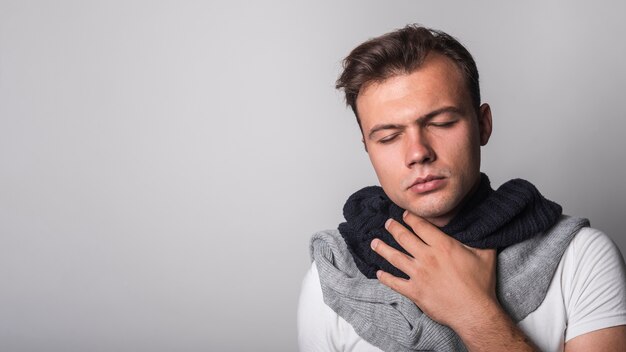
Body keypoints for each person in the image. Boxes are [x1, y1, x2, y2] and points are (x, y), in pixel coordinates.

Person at [297, 25, 626, 352]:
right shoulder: (333, 276)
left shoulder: (582, 257)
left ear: (483, 125)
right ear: (368, 148)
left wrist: (474, 312)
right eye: (388, 137)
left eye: (441, 123)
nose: (418, 152)